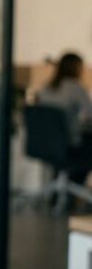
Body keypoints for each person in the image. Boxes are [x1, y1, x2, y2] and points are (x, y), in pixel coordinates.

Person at [37, 52, 92, 186]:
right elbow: (90, 113)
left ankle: (60, 189)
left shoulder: (46, 88)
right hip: (69, 144)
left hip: (45, 144)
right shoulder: (75, 87)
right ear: (77, 68)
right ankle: (73, 188)